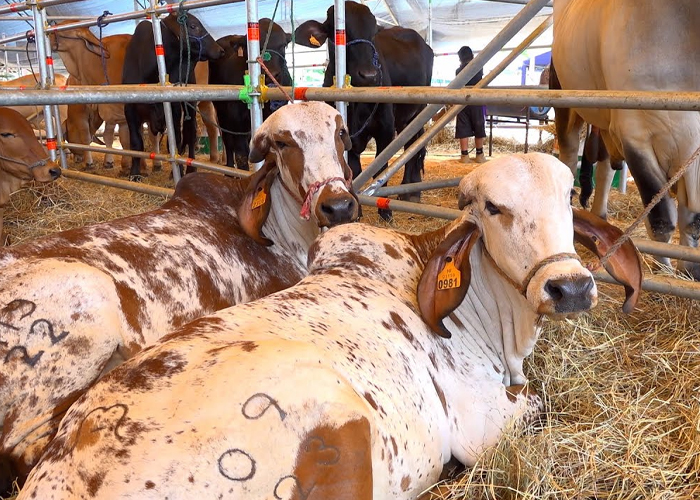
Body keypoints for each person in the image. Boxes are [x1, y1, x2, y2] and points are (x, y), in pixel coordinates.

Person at [455, 46, 487, 163]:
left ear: (460, 58)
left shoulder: (458, 71)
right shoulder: (478, 67)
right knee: (479, 125)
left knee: (463, 127)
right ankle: (479, 154)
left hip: (462, 101)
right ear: (471, 55)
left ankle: (464, 156)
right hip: (476, 100)